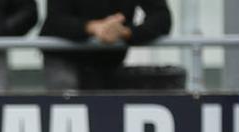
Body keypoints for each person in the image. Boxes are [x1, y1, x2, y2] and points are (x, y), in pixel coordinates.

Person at [40, 1, 173, 91]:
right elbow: (56, 20)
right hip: (65, 57)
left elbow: (162, 18)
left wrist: (126, 32)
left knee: (108, 113)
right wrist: (93, 28)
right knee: (67, 102)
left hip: (108, 60)